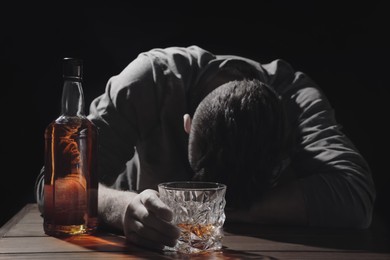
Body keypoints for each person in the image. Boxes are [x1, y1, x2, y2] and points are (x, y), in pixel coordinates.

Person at [35, 45, 376, 250]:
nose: (206, 194)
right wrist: (121, 209)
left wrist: (206, 209)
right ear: (186, 124)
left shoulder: (298, 100)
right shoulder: (149, 79)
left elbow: (356, 198)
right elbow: (51, 187)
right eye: (203, 182)